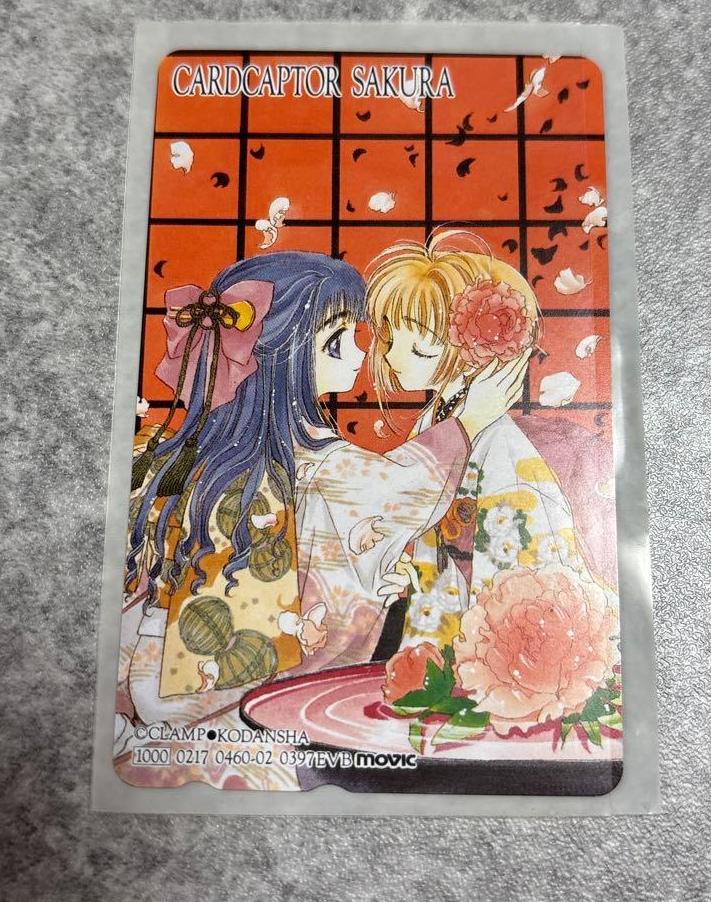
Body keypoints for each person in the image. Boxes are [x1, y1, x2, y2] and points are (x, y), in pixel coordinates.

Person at [115, 250, 528, 788]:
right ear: (283, 356)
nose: (361, 349)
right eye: (336, 340)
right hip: (231, 709)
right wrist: (468, 422)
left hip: (151, 685)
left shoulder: (175, 454)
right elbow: (396, 491)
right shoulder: (319, 461)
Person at [365, 232, 618, 656]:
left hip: (508, 608)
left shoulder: (499, 442)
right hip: (445, 598)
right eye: (389, 340)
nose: (391, 358)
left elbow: (511, 559)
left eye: (419, 350)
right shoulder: (436, 418)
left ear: (473, 356)